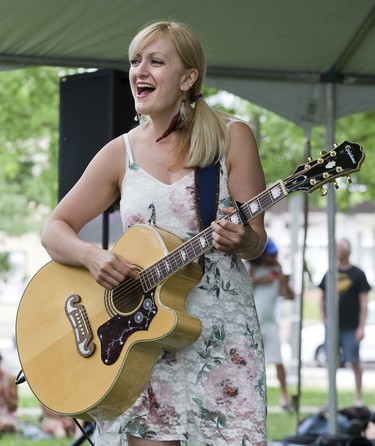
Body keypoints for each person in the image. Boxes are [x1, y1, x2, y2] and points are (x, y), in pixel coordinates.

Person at [41, 20, 268, 446]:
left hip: (219, 335)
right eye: (135, 61)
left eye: (156, 61)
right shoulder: (118, 152)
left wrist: (246, 240)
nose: (139, 71)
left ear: (188, 78)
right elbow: (55, 229)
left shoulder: (231, 137)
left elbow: (256, 238)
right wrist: (93, 257)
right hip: (140, 339)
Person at [318, 238, 371, 407]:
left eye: (340, 246)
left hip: (351, 327)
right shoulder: (330, 273)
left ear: (348, 250)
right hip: (332, 327)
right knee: (331, 362)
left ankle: (358, 396)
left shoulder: (358, 274)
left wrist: (361, 327)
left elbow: (364, 302)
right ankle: (331, 398)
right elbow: (322, 297)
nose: (337, 249)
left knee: (354, 361)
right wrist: (324, 319)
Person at [247, 238, 294, 412]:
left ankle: (284, 396)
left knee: (278, 360)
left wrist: (283, 281)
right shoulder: (253, 268)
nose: (274, 258)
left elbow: (286, 294)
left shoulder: (276, 270)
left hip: (270, 322)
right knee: (251, 361)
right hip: (254, 321)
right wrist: (261, 280)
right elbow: (247, 285)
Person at [0, 351, 18, 434]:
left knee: (5, 424)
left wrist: (3, 393)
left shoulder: (10, 378)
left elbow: (14, 407)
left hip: (7, 416)